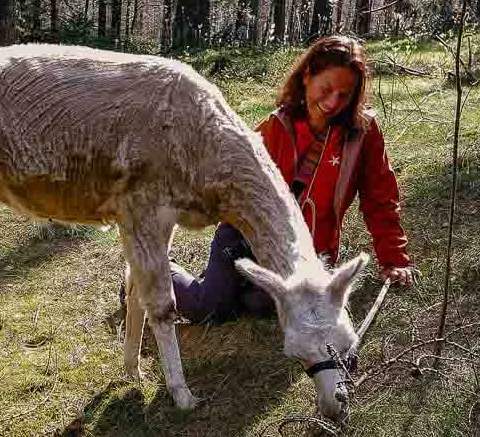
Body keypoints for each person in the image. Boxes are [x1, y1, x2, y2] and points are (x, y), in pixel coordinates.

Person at [165, 35, 414, 324]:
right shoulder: (274, 127)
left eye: (344, 95)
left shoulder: (363, 135)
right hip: (245, 240)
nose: (333, 102)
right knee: (209, 309)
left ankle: (238, 287)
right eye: (327, 88)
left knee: (264, 306)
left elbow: (380, 198)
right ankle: (156, 272)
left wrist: (394, 259)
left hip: (308, 254)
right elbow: (227, 186)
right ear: (307, 76)